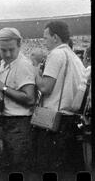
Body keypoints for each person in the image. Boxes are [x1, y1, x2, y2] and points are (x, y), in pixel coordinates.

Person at [35, 21, 87, 173]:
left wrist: (35, 74)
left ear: (55, 37)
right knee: (69, 169)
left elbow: (45, 87)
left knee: (51, 168)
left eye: (45, 38)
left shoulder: (56, 53)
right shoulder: (75, 57)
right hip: (72, 119)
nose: (44, 42)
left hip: (55, 120)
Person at [0, 27, 36, 172]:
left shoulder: (23, 65)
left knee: (18, 167)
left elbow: (29, 98)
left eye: (12, 49)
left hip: (20, 123)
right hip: (8, 121)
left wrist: (2, 88)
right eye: (4, 50)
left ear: (20, 45)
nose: (8, 54)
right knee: (9, 165)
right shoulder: (5, 63)